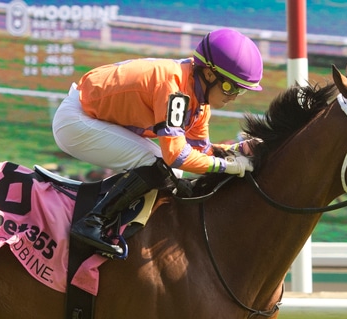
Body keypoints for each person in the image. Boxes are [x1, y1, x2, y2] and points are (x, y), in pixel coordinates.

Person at [52, 28, 263, 255]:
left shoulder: (199, 101)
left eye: (240, 91)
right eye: (230, 87)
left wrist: (235, 150)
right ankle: (93, 223)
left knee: (172, 171)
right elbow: (178, 156)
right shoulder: (176, 90)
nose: (232, 97)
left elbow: (201, 151)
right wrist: (227, 166)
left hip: (93, 116)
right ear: (210, 74)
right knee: (159, 163)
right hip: (77, 120)